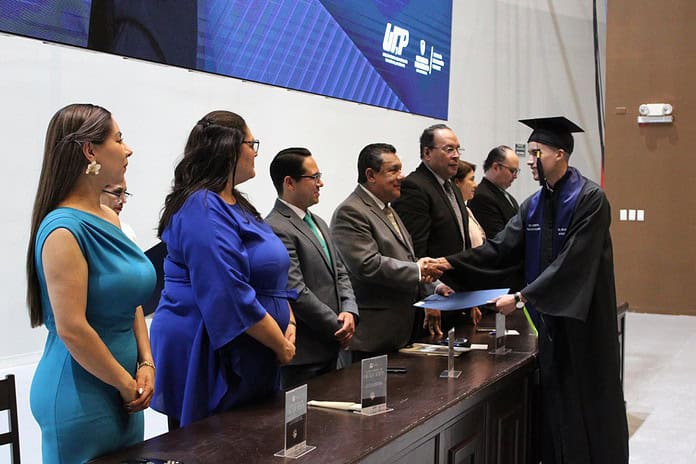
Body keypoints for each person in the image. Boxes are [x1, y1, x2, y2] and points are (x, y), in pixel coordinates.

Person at [438, 116, 629, 463]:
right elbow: (500, 249)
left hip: (584, 322)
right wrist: (449, 265)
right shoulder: (534, 204)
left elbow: (573, 263)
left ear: (560, 154)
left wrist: (522, 297)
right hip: (551, 322)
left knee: (586, 399)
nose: (529, 161)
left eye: (536, 152)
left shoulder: (590, 199)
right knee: (555, 401)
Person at [27, 103, 156, 463]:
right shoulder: (63, 229)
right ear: (90, 151)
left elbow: (130, 300)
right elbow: (72, 329)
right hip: (81, 396)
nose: (128, 149)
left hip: (125, 391)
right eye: (119, 139)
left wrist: (146, 363)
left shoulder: (108, 218)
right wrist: (125, 384)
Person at [150, 111, 296, 429]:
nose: (255, 152)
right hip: (211, 351)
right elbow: (228, 291)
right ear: (229, 148)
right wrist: (279, 344)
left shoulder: (237, 203)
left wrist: (290, 318)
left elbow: (271, 275)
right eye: (251, 144)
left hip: (254, 346)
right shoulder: (201, 206)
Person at [331, 143, 452, 359]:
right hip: (372, 337)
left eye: (400, 169)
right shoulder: (350, 211)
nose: (401, 176)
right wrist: (419, 270)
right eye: (393, 170)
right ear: (371, 175)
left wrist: (436, 287)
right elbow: (367, 265)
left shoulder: (388, 209)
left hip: (400, 332)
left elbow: (407, 257)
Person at [266, 147, 359, 388]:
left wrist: (350, 311)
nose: (321, 183)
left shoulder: (318, 222)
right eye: (314, 177)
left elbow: (340, 272)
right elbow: (295, 290)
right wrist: (338, 326)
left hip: (333, 346)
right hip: (305, 355)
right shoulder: (275, 227)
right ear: (290, 183)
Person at [392, 124, 478, 334]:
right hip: (434, 303)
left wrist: (470, 297)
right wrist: (429, 297)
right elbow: (413, 251)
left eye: (457, 149)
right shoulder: (415, 187)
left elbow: (463, 246)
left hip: (457, 297)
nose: (456, 156)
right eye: (449, 149)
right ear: (427, 153)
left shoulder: (451, 187)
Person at [468, 145, 520, 239]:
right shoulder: (482, 197)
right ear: (496, 167)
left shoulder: (506, 196)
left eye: (517, 171)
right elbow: (496, 238)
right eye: (512, 171)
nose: (515, 176)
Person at [452, 160, 485, 248]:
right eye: (471, 179)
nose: (475, 185)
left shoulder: (467, 210)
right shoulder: (452, 212)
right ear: (457, 182)